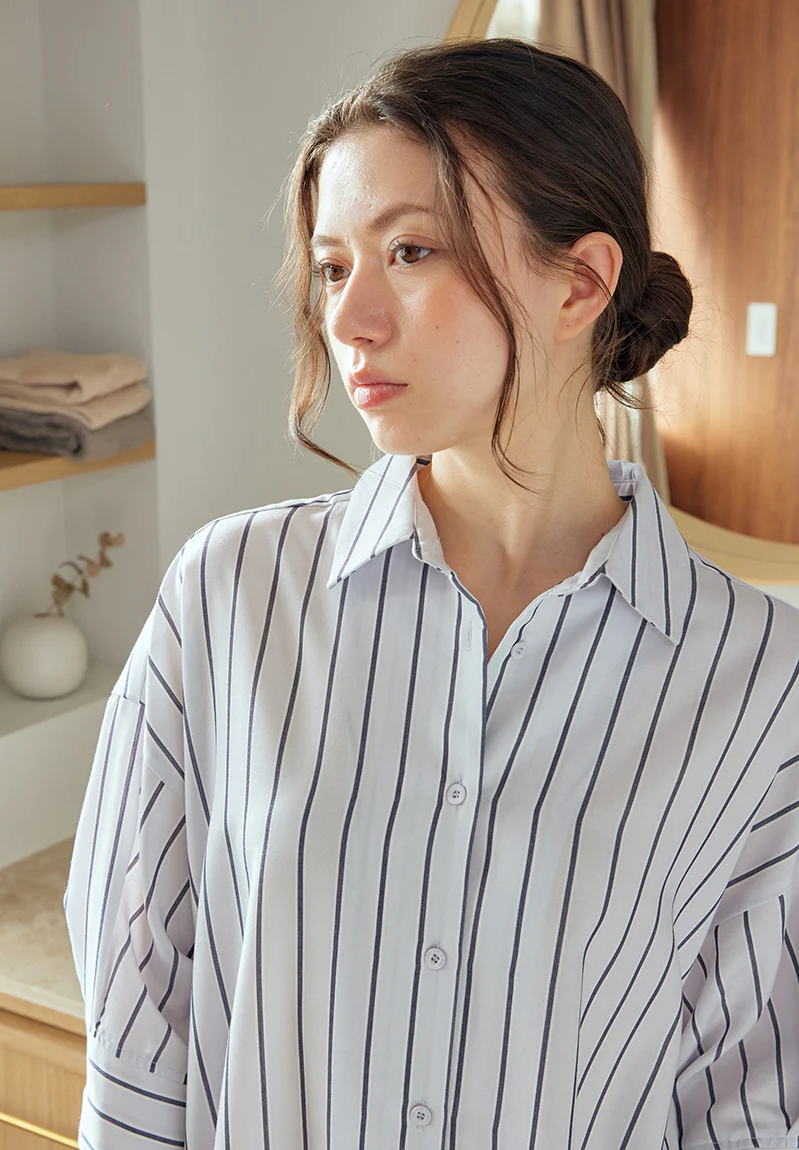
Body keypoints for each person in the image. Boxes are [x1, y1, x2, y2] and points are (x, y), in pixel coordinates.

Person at [63, 36, 799, 1150]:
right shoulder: (228, 599)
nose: (351, 322)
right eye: (331, 267)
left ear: (582, 280)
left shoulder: (757, 685)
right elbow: (138, 1033)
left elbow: (748, 1103)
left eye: (410, 251)